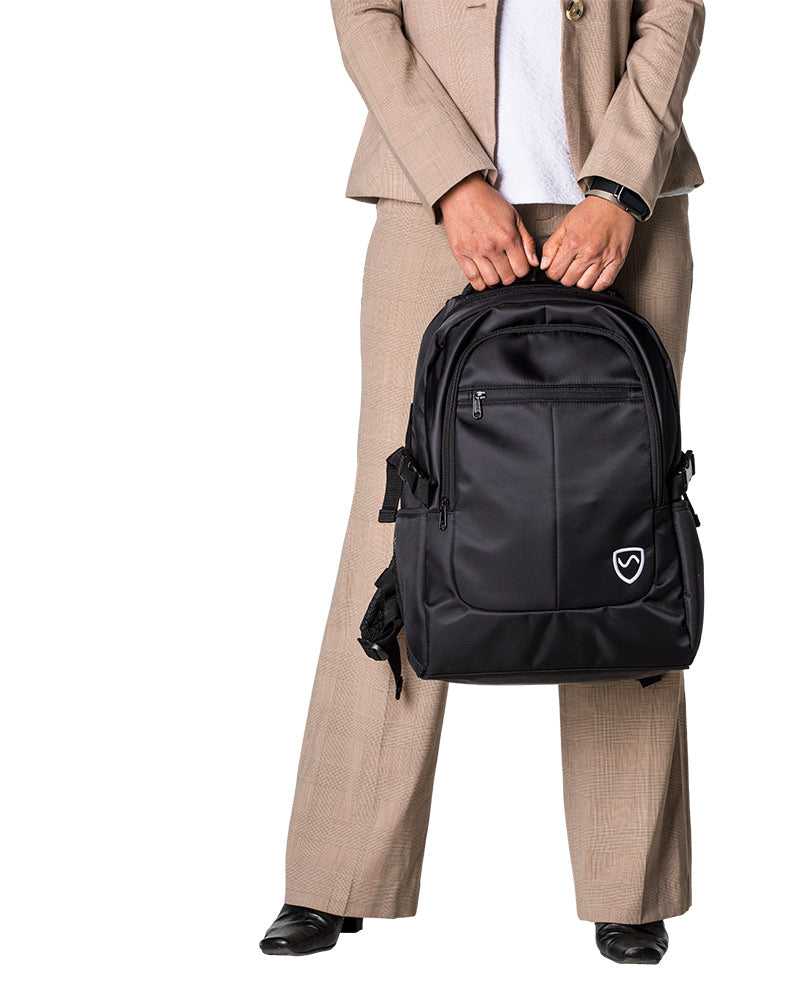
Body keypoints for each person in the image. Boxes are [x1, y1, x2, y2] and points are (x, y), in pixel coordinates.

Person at [260, 0, 705, 965]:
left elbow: (673, 11)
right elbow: (366, 13)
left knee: (614, 529)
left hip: (622, 214)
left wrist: (623, 185)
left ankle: (629, 883)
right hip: (435, 208)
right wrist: (454, 179)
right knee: (400, 525)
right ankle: (336, 874)